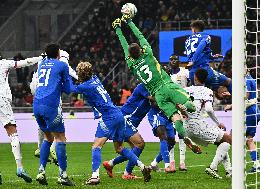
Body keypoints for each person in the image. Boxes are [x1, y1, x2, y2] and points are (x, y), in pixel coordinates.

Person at [113, 15, 195, 142]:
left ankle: (184, 136)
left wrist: (118, 29)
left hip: (158, 96)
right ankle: (184, 107)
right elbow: (140, 36)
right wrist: (129, 21)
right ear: (141, 50)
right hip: (167, 85)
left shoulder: (131, 64)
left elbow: (124, 45)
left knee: (174, 117)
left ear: (130, 55)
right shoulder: (148, 54)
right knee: (191, 106)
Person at [70, 62, 151, 185]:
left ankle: (95, 176)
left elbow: (68, 88)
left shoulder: (84, 86)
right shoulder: (95, 79)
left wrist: (64, 74)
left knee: (96, 146)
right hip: (118, 115)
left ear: (80, 74)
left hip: (108, 117)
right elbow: (82, 78)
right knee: (119, 148)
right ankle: (142, 166)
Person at [33, 44, 74, 186]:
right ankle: (63, 175)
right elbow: (68, 90)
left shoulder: (42, 64)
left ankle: (41, 171)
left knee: (48, 137)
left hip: (36, 105)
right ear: (58, 54)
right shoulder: (62, 65)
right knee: (60, 138)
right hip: (50, 106)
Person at [182, 68, 232, 179]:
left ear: (195, 78)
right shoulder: (207, 91)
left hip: (186, 128)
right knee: (228, 139)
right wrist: (218, 123)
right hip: (197, 125)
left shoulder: (185, 90)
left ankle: (229, 171)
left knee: (222, 141)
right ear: (206, 79)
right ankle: (213, 168)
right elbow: (209, 109)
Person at [0, 54, 42, 184]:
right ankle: (20, 168)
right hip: (2, 100)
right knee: (13, 134)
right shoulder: (4, 63)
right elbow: (25, 62)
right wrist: (40, 58)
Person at [103, 83, 152, 180]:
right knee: (139, 144)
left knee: (135, 149)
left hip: (130, 121)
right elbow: (153, 98)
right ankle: (127, 172)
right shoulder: (143, 86)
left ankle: (110, 164)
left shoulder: (153, 89)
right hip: (125, 118)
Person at [221, 66, 260, 173]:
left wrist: (231, 105)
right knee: (249, 139)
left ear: (246, 69)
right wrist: (231, 94)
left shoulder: (246, 79)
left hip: (249, 112)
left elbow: (246, 95)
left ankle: (234, 166)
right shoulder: (251, 78)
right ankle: (257, 165)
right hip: (255, 110)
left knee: (232, 137)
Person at [167, 54, 202, 171]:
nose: (173, 61)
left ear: (179, 61)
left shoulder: (185, 72)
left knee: (182, 134)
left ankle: (182, 162)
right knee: (170, 135)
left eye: (175, 59)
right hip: (171, 107)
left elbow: (192, 87)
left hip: (183, 106)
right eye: (171, 59)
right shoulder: (166, 76)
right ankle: (172, 162)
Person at [185, 20, 232, 93]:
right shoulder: (206, 36)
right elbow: (201, 46)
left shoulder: (188, 40)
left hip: (192, 73)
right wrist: (193, 60)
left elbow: (200, 52)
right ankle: (236, 102)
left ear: (194, 29)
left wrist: (212, 57)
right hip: (204, 71)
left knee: (199, 94)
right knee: (228, 81)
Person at [148, 106, 176, 173]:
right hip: (157, 115)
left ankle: (153, 164)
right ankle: (167, 166)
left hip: (168, 117)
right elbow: (153, 101)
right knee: (163, 136)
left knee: (171, 142)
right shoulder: (157, 95)